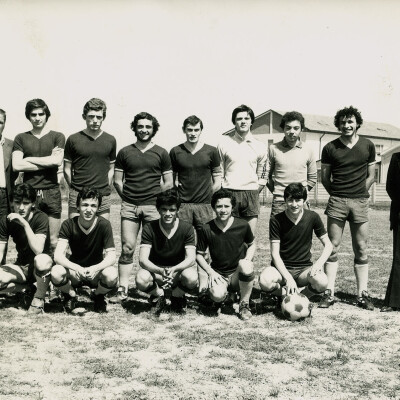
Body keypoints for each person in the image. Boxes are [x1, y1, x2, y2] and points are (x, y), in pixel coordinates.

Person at [112, 112, 173, 304]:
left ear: (154, 129)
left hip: (153, 208)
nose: (144, 130)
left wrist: (155, 200)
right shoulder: (124, 152)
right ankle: (122, 288)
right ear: (134, 128)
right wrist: (129, 198)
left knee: (155, 249)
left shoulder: (162, 152)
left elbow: (169, 182)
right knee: (128, 247)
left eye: (148, 127)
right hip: (130, 206)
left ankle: (155, 289)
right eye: (140, 126)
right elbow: (117, 181)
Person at [319, 106, 376, 310]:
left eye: (350, 122)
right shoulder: (330, 147)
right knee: (332, 247)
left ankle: (362, 295)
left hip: (360, 202)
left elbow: (371, 175)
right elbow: (325, 178)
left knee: (361, 248)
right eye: (343, 122)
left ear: (357, 123)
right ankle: (329, 292)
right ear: (338, 125)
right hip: (337, 202)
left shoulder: (368, 145)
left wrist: (361, 191)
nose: (346, 125)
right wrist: (337, 194)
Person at [169, 115, 221, 295]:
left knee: (204, 248)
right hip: (183, 206)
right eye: (189, 130)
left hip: (204, 206)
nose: (192, 133)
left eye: (196, 130)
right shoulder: (176, 151)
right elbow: (171, 180)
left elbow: (218, 180)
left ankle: (203, 287)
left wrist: (208, 196)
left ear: (201, 130)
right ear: (184, 130)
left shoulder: (211, 151)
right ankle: (180, 287)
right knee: (182, 246)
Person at [259, 183, 332, 302]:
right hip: (281, 270)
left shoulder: (313, 217)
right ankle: (284, 294)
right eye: (290, 200)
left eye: (298, 200)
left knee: (322, 282)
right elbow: (275, 255)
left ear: (304, 200)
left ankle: (302, 296)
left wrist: (318, 264)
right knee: (265, 281)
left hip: (303, 270)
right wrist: (288, 278)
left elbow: (328, 245)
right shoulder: (276, 220)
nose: (294, 204)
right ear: (285, 200)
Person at [51, 187, 117, 313]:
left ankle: (97, 295)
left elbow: (112, 256)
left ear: (98, 208)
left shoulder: (104, 225)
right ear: (77, 207)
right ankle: (71, 294)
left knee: (112, 275)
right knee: (56, 272)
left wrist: (95, 268)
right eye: (85, 205)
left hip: (95, 273)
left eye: (93, 206)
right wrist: (77, 268)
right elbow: (58, 256)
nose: (88, 209)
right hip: (75, 272)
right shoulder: (68, 224)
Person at [12, 99, 65, 254]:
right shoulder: (21, 138)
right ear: (28, 117)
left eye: (41, 114)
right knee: (30, 238)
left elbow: (57, 161)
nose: (37, 117)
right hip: (30, 193)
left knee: (53, 241)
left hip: (52, 192)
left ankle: (54, 275)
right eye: (33, 114)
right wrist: (48, 161)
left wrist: (28, 160)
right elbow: (17, 165)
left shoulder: (57, 136)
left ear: (46, 114)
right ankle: (31, 274)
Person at [196, 188, 256, 321]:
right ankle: (226, 297)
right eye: (219, 206)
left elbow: (252, 244)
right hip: (219, 275)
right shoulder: (206, 228)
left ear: (232, 207)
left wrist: (247, 259)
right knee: (217, 295)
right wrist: (210, 272)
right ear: (213, 207)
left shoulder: (242, 225)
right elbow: (199, 255)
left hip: (236, 275)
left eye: (226, 206)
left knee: (245, 265)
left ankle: (244, 304)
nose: (223, 210)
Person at [135, 189, 197, 315]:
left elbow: (191, 258)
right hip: (157, 273)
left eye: (172, 209)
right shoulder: (149, 227)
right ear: (158, 210)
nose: (168, 213)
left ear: (178, 210)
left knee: (192, 277)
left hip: (176, 273)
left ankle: (176, 296)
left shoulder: (187, 228)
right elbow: (142, 259)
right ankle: (159, 295)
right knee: (141, 278)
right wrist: (160, 271)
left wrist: (174, 269)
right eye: (164, 209)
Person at [0, 183, 52, 313]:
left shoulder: (41, 217)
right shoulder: (6, 220)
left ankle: (39, 297)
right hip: (22, 267)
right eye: (17, 203)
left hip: (42, 267)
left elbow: (38, 250)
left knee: (41, 260)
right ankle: (27, 289)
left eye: (26, 203)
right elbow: (0, 251)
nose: (21, 207)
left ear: (33, 204)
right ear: (12, 203)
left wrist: (24, 223)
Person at [217, 104, 268, 235]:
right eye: (239, 119)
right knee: (228, 235)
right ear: (234, 122)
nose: (243, 121)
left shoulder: (260, 146)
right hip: (229, 192)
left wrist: (256, 189)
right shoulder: (224, 144)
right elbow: (219, 170)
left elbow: (263, 172)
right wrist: (224, 189)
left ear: (251, 121)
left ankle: (247, 256)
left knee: (248, 237)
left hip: (251, 193)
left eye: (246, 118)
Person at [64, 98, 116, 220]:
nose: (95, 121)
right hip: (78, 193)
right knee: (75, 232)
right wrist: (76, 187)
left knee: (101, 231)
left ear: (104, 117)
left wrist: (104, 187)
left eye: (99, 117)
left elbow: (111, 169)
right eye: (91, 117)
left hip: (102, 194)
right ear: (84, 117)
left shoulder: (110, 140)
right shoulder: (73, 139)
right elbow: (67, 169)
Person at [267, 111, 317, 216]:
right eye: (288, 128)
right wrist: (279, 193)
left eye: (296, 128)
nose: (291, 131)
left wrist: (301, 194)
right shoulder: (273, 149)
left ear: (301, 129)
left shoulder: (309, 150)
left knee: (303, 232)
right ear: (283, 129)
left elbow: (312, 179)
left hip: (301, 202)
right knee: (279, 232)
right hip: (280, 203)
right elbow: (267, 177)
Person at [381, 153, 400, 312]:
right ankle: (394, 301)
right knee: (399, 257)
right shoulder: (396, 158)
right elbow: (390, 187)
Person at [0, 109, 17, 264]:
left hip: (4, 195)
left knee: (2, 234)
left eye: (0, 122)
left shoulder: (11, 145)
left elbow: (15, 172)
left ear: (4, 124)